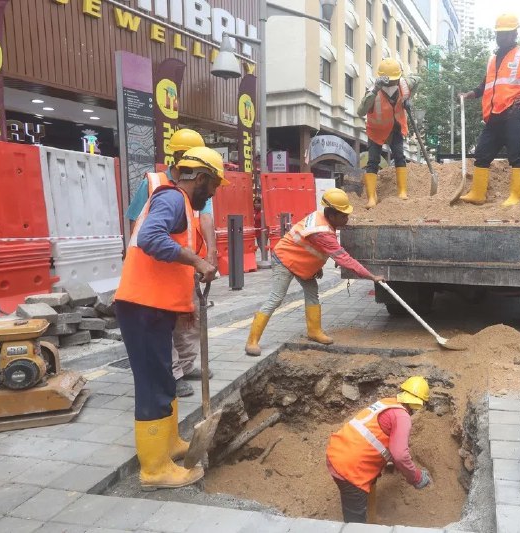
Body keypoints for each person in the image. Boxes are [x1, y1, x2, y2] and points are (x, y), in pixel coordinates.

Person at [115, 146, 228, 490]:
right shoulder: (173, 199)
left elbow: (167, 269)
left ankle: (168, 445)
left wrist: (184, 310)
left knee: (164, 379)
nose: (212, 195)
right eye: (213, 188)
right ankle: (154, 469)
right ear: (204, 178)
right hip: (142, 307)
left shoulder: (182, 206)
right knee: (152, 386)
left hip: (155, 308)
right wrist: (196, 261)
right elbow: (151, 238)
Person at [126, 128, 217, 398]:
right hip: (158, 268)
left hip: (184, 266)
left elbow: (206, 218)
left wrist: (209, 255)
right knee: (162, 325)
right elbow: (140, 224)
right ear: (176, 156)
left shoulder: (197, 188)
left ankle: (187, 364)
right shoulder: (156, 183)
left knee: (188, 316)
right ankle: (173, 373)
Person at [244, 188, 385, 357]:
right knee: (276, 298)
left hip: (301, 263)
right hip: (284, 259)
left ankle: (314, 331)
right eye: (343, 215)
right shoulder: (322, 232)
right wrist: (371, 276)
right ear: (332, 215)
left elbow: (311, 248)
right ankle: (252, 341)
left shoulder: (322, 218)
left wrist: (315, 266)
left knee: (312, 294)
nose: (347, 219)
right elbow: (344, 259)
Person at [459, 13, 520, 207]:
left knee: (516, 154)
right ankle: (477, 193)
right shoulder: (493, 59)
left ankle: (516, 194)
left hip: (514, 112)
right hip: (494, 116)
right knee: (482, 153)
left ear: (515, 33)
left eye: (506, 33)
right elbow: (486, 85)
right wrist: (471, 94)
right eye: (499, 33)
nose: (502, 37)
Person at [326, 376, 433, 523]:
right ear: (419, 404)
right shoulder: (402, 417)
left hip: (337, 451)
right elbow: (400, 455)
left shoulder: (386, 403)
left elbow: (378, 436)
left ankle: (370, 522)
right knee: (355, 523)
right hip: (350, 469)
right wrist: (416, 477)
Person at [358, 58, 420, 208]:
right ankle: (372, 198)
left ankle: (402, 191)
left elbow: (417, 80)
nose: (391, 84)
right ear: (381, 79)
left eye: (394, 80)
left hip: (395, 129)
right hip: (376, 132)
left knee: (400, 156)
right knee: (373, 162)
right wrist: (373, 92)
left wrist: (408, 99)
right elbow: (361, 111)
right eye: (388, 81)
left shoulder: (403, 85)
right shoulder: (373, 92)